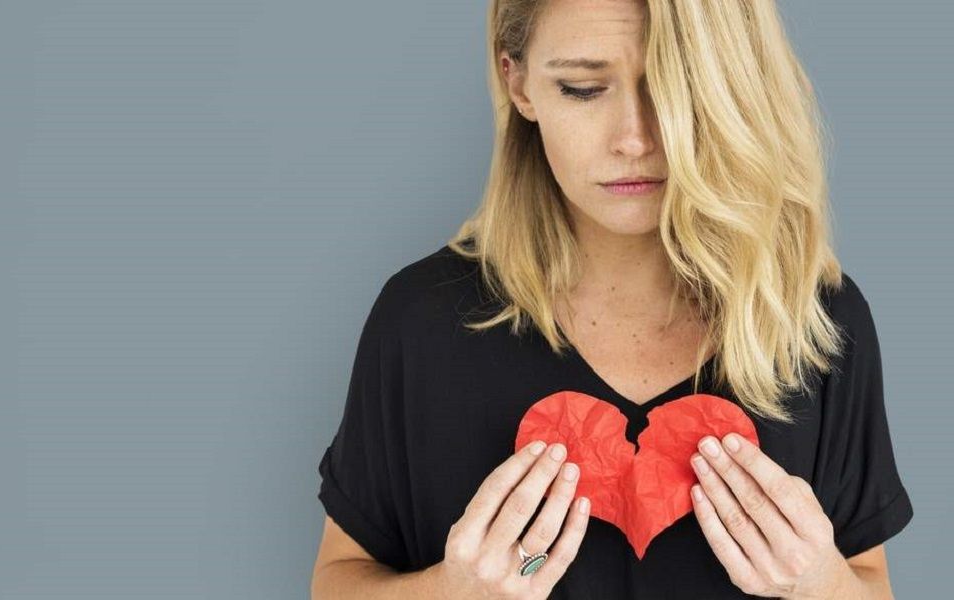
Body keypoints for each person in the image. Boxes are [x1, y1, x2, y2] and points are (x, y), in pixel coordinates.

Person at [310, 0, 914, 597]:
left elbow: (870, 583)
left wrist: (821, 585)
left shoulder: (816, 323)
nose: (634, 139)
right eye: (583, 89)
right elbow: (338, 578)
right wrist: (450, 593)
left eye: (676, 87)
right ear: (517, 82)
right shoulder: (420, 321)